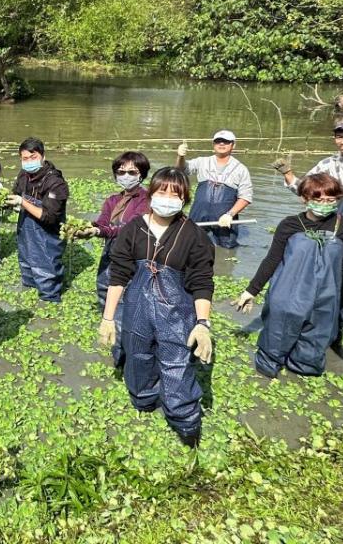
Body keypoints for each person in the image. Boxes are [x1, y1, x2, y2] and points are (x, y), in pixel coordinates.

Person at [97, 167, 214, 447]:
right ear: (151, 194)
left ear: (184, 199)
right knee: (137, 358)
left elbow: (201, 282)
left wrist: (202, 324)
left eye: (176, 194)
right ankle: (144, 400)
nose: (168, 198)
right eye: (162, 192)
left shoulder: (194, 235)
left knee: (176, 365)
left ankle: (184, 421)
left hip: (176, 312)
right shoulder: (132, 229)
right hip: (136, 308)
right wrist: (109, 318)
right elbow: (119, 275)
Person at [234, 173, 343, 378]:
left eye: (330, 200)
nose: (324, 204)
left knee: (312, 351)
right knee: (275, 342)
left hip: (325, 300)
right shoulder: (289, 225)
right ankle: (268, 370)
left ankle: (301, 374)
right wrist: (251, 290)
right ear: (304, 198)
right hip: (286, 297)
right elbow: (272, 260)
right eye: (318, 200)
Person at [73, 152, 151, 312]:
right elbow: (103, 222)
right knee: (103, 286)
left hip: (133, 254)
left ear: (141, 174)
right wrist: (86, 227)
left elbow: (130, 228)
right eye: (121, 172)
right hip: (111, 250)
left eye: (132, 172)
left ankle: (124, 330)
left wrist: (97, 231)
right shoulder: (113, 200)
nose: (126, 176)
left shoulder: (146, 199)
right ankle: (106, 320)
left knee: (127, 293)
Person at [5, 138, 69, 302]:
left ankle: (49, 301)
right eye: (24, 159)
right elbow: (17, 193)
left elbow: (49, 217)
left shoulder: (56, 183)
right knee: (26, 264)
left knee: (46, 269)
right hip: (26, 231)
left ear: (43, 156)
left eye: (33, 157)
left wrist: (22, 202)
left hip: (47, 235)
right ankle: (30, 292)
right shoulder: (23, 175)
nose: (29, 162)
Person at [176, 130, 253, 248]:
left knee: (227, 248)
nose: (221, 144)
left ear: (233, 145)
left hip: (224, 218)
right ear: (213, 144)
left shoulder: (241, 169)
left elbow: (245, 197)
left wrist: (230, 214)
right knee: (189, 243)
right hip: (199, 213)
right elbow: (182, 169)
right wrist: (181, 156)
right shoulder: (202, 161)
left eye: (226, 141)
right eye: (218, 141)